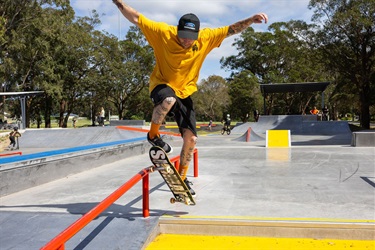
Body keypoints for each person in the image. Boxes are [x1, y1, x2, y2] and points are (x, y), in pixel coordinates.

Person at [113, 0, 268, 195]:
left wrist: (251, 20)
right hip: (162, 85)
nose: (186, 41)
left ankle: (183, 178)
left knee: (192, 139)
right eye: (183, 37)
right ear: (177, 31)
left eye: (190, 38)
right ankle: (153, 134)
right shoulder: (162, 33)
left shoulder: (206, 37)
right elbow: (136, 17)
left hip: (185, 92)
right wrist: (117, 2)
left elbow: (231, 29)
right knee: (168, 100)